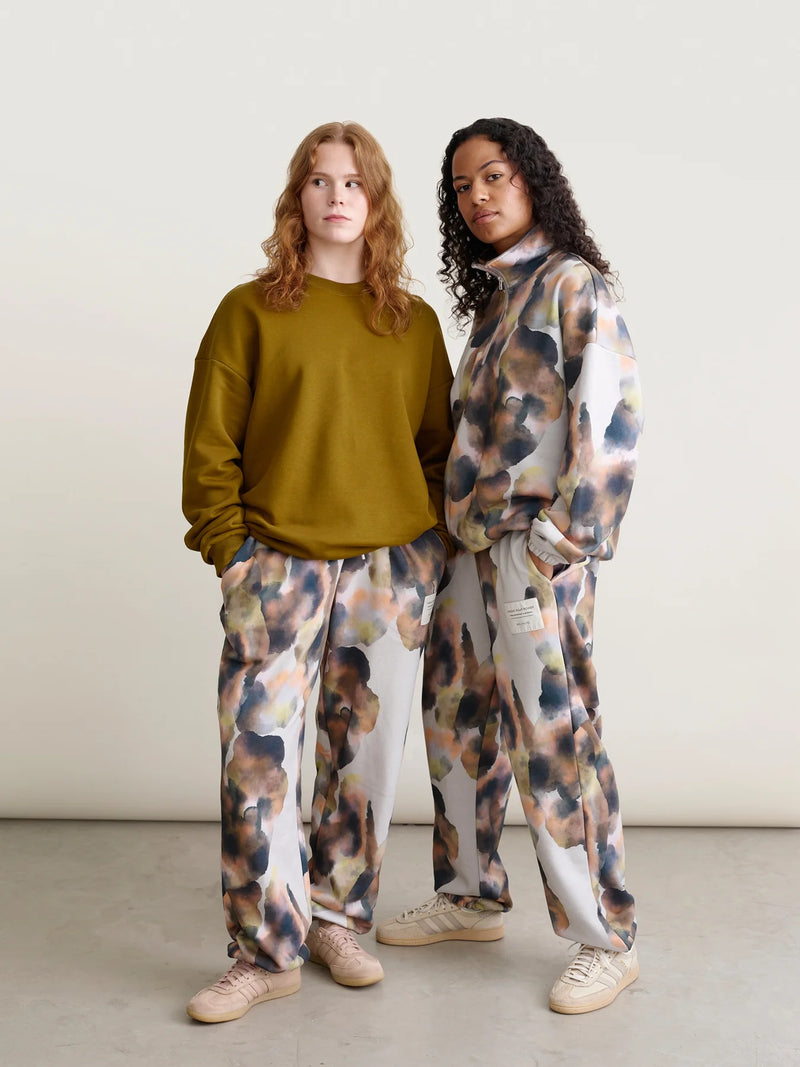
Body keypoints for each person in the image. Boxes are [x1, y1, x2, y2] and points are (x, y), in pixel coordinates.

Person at [181, 121, 453, 1023]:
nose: (338, 196)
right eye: (319, 180)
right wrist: (232, 553)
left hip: (388, 569)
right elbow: (210, 445)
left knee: (363, 759)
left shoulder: (412, 324)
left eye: (354, 182)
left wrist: (423, 552)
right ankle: (265, 952)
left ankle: (338, 920)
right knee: (256, 756)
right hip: (277, 562)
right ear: (297, 198)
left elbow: (438, 448)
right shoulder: (249, 311)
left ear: (377, 202)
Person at [375, 117, 644, 1015]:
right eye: (462, 186)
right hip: (469, 551)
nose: (478, 196)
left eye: (494, 176)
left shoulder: (573, 284)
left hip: (535, 557)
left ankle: (606, 937)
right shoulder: (495, 303)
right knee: (456, 722)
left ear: (532, 179)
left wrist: (560, 543)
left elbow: (612, 420)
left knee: (554, 736)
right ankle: (470, 894)